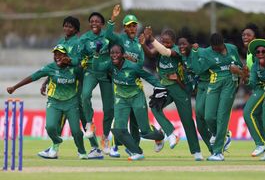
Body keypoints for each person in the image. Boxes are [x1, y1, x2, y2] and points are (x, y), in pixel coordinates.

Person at [7, 45, 87, 159]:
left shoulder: (74, 68)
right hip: (54, 102)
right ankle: (57, 141)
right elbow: (33, 76)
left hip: (71, 102)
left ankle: (82, 151)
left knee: (76, 131)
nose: (57, 57)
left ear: (66, 56)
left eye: (60, 54)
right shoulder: (50, 67)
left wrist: (74, 64)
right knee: (50, 127)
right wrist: (15, 87)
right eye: (55, 54)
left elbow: (85, 73)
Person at [39, 16, 102, 159]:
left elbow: (79, 62)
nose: (67, 29)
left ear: (76, 30)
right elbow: (56, 65)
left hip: (76, 84)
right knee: (62, 117)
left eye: (70, 27)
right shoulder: (61, 42)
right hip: (63, 85)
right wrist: (46, 80)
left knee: (84, 117)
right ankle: (54, 148)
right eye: (65, 26)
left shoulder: (78, 43)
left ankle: (95, 147)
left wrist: (70, 61)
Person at [93, 44, 165, 161]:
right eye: (112, 53)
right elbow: (97, 67)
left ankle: (160, 136)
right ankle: (137, 152)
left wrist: (161, 88)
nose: (114, 55)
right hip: (121, 99)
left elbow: (149, 77)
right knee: (117, 130)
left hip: (137, 97)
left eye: (117, 53)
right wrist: (96, 53)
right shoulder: (110, 65)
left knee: (145, 132)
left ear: (122, 55)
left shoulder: (133, 67)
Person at [141, 27, 202, 161]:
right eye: (163, 41)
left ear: (173, 42)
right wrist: (143, 44)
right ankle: (170, 133)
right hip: (165, 88)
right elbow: (151, 54)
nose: (165, 44)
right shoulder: (159, 48)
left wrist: (152, 39)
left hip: (179, 89)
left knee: (187, 121)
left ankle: (196, 151)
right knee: (154, 107)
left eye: (168, 42)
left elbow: (167, 52)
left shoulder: (176, 51)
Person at [191, 33, 243, 161]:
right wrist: (195, 52)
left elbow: (240, 66)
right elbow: (197, 69)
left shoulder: (232, 48)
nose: (215, 49)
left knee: (222, 116)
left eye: (217, 47)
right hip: (213, 83)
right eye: (213, 47)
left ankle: (218, 152)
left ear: (222, 44)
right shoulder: (207, 52)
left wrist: (238, 70)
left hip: (230, 83)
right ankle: (223, 135)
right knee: (208, 116)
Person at [105, 4, 144, 157]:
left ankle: (133, 147)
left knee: (135, 121)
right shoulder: (121, 39)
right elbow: (108, 35)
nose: (132, 28)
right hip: (120, 84)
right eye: (129, 26)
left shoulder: (138, 45)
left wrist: (132, 61)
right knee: (120, 117)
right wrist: (113, 17)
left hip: (135, 85)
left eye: (134, 25)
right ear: (125, 28)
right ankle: (115, 146)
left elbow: (141, 64)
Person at [79, 12, 114, 155]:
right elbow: (79, 55)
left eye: (97, 21)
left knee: (109, 108)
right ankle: (89, 123)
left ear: (102, 24)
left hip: (106, 73)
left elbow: (116, 51)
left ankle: (105, 137)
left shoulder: (108, 36)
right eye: (92, 21)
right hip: (91, 72)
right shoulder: (85, 38)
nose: (94, 23)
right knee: (85, 95)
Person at [241, 23, 265, 157]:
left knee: (247, 113)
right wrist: (245, 73)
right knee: (258, 117)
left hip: (263, 88)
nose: (245, 37)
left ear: (255, 37)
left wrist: (243, 74)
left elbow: (262, 72)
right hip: (259, 87)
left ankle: (260, 144)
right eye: (243, 35)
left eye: (248, 35)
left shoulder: (256, 52)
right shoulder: (249, 52)